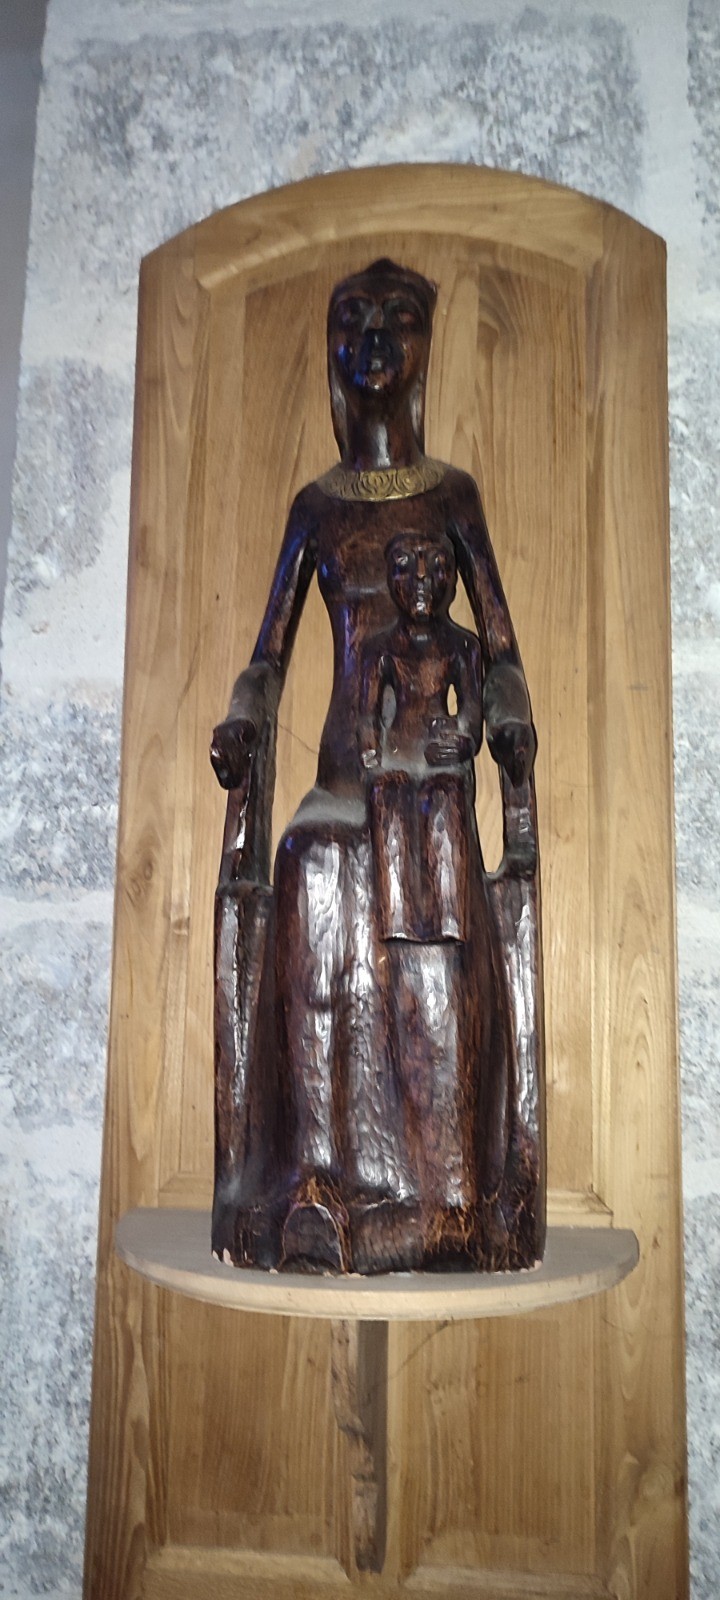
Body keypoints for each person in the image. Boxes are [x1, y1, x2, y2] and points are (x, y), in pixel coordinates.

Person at [210, 258, 543, 1275]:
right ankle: (313, 1178)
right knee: (310, 858)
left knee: (427, 919)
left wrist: (506, 715)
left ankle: (445, 1195)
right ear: (334, 351)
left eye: (398, 318)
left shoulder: (452, 496)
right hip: (341, 776)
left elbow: (500, 646)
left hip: (428, 781)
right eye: (353, 319)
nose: (374, 338)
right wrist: (243, 714)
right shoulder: (317, 507)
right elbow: (267, 656)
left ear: (423, 348)